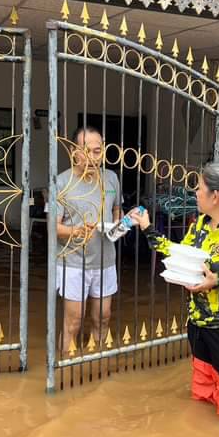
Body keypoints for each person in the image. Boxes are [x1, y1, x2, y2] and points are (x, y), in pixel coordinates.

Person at [131, 162, 219, 422]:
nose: (195, 193)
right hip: (198, 325)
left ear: (215, 196)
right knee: (202, 396)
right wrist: (147, 227)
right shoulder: (199, 225)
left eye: (198, 188)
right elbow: (178, 254)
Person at [54, 127, 122, 356]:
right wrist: (76, 231)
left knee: (103, 318)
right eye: (86, 151)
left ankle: (97, 363)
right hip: (73, 262)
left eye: (97, 151)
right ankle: (66, 365)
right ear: (74, 152)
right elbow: (52, 227)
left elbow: (117, 208)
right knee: (73, 322)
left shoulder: (111, 178)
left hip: (105, 260)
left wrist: (119, 224)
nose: (92, 157)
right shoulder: (61, 182)